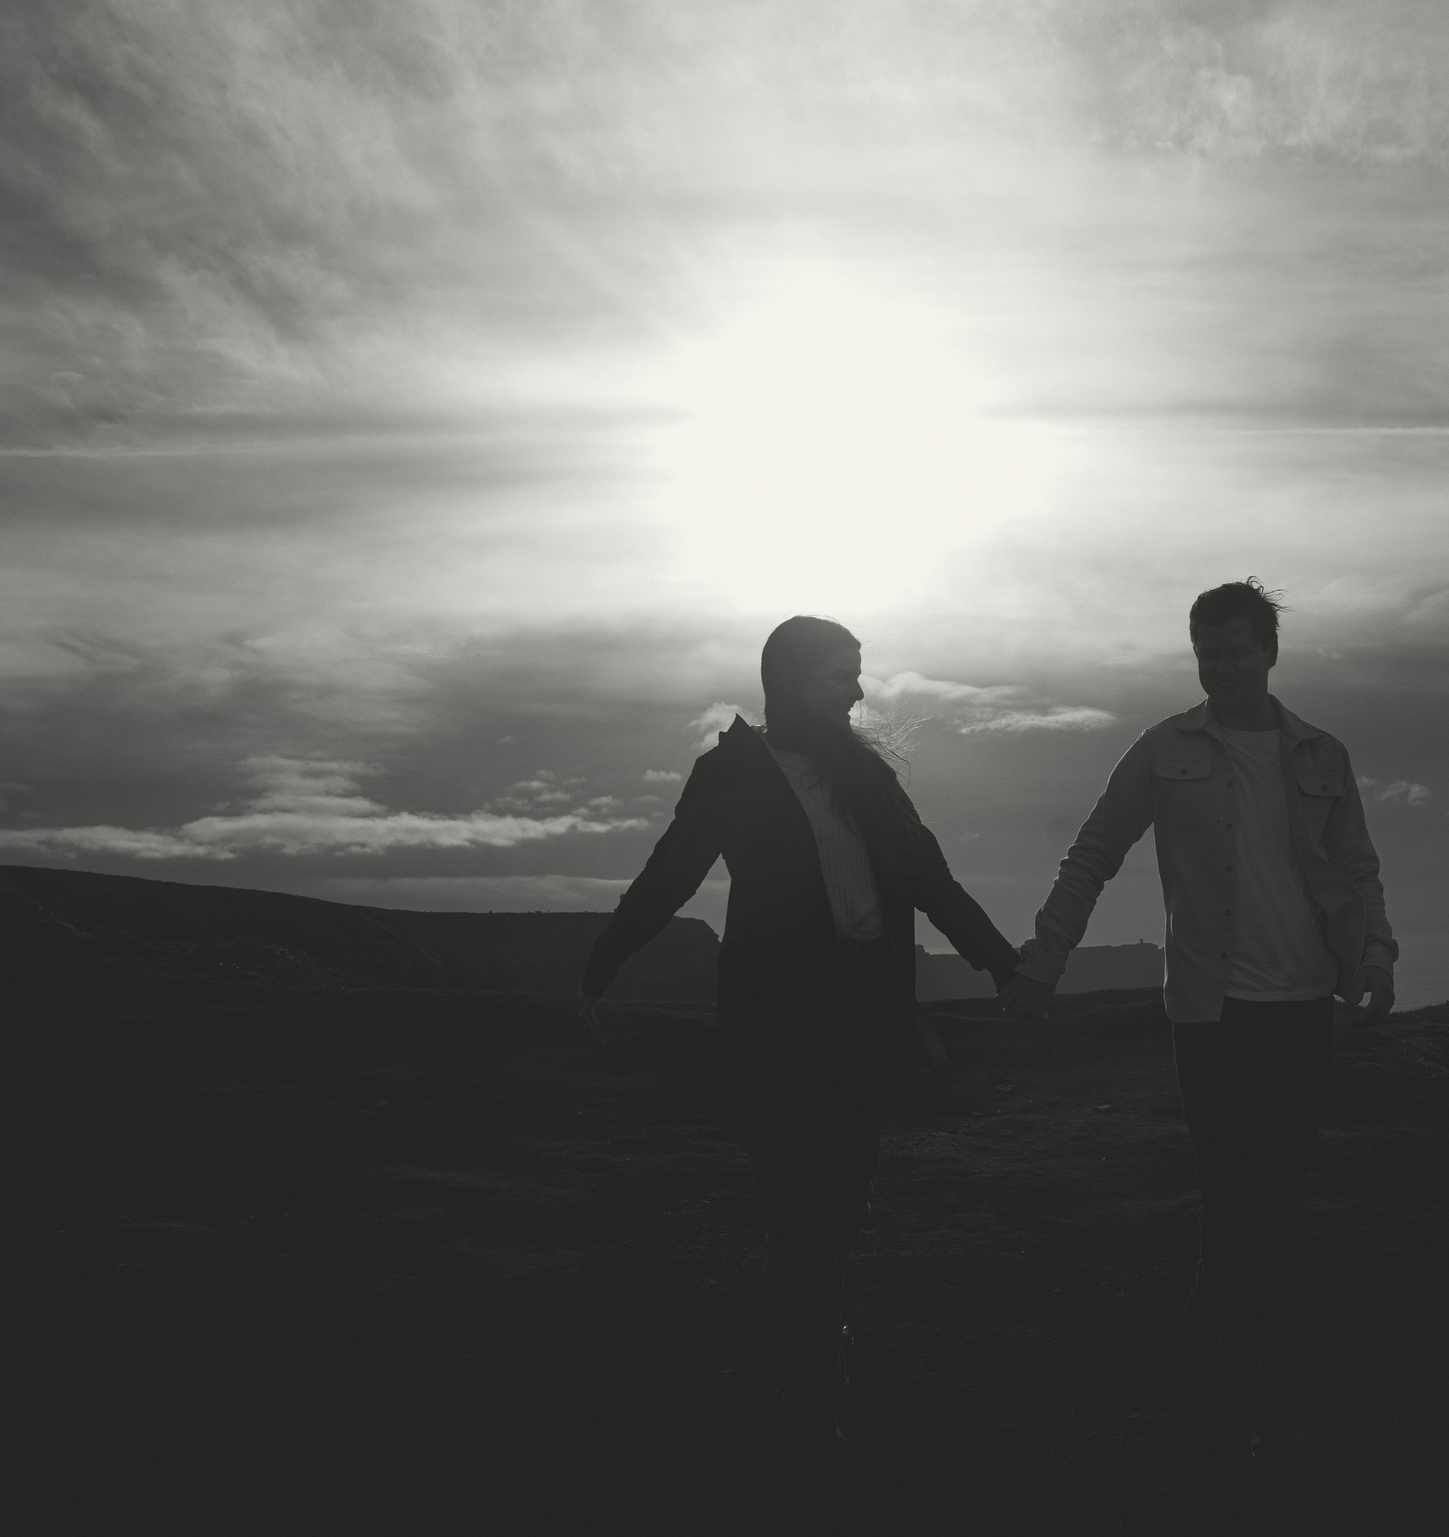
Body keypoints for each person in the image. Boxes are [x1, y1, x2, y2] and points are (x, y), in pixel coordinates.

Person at [578, 616, 1020, 1439]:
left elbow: (927, 875)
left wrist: (999, 960)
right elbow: (670, 874)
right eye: (838, 675)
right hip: (777, 1017)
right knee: (796, 1195)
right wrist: (603, 962)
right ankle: (817, 1375)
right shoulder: (731, 774)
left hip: (864, 1012)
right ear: (787, 679)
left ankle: (809, 1330)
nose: (857, 691)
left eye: (857, 673)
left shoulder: (866, 776)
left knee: (847, 1190)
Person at [1002, 580, 1396, 1441]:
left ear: (1269, 652)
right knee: (1228, 1183)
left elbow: (1356, 867)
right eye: (1206, 652)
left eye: (1234, 651)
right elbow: (1093, 853)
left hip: (1303, 1002)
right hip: (1211, 1009)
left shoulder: (1322, 755)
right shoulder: (1161, 749)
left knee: (1279, 1185)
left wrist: (1376, 955)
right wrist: (1044, 959)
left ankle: (1244, 1345)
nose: (1220, 667)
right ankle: (1229, 1352)